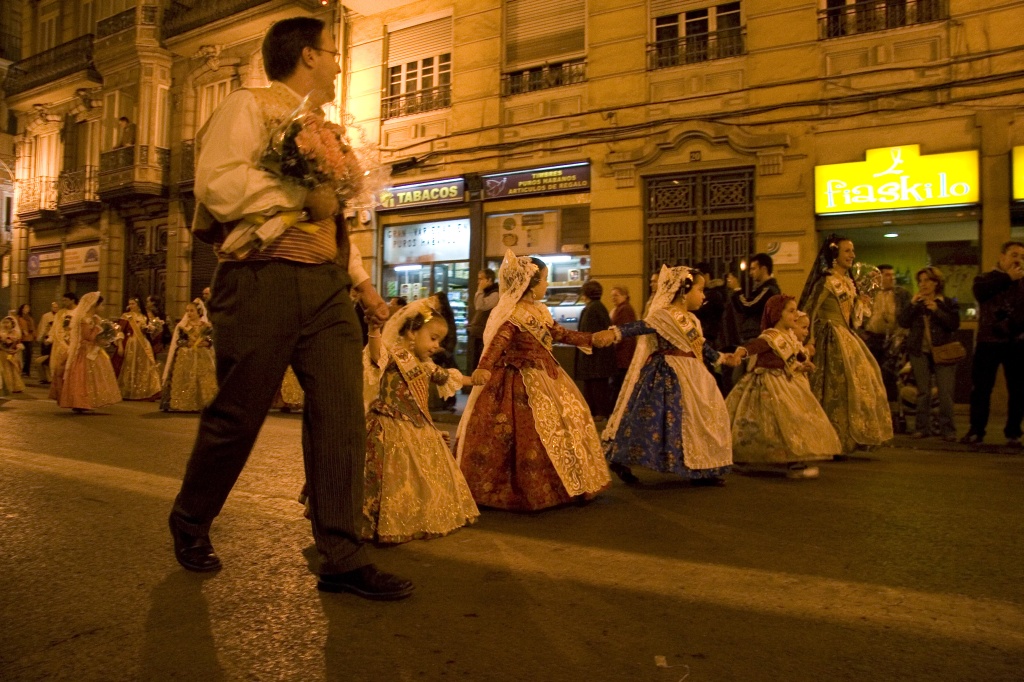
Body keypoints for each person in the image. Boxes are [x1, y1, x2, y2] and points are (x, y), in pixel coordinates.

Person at [168, 17, 412, 601]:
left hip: (325, 286)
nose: (336, 62)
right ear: (307, 55)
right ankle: (191, 518)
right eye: (331, 52)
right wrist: (299, 194)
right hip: (260, 279)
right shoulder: (247, 107)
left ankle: (340, 554)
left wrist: (362, 287)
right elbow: (218, 184)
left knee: (340, 416)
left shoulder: (322, 129)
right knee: (238, 414)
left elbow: (331, 221)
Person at [456, 251, 613, 511]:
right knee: (528, 432)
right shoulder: (514, 314)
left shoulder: (540, 311)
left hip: (547, 374)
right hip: (518, 379)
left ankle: (567, 483)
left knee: (563, 425)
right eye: (544, 280)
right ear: (530, 283)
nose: (547, 285)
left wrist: (591, 339)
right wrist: (483, 367)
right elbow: (498, 343)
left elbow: (559, 333)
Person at [601, 266, 737, 486]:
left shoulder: (693, 320)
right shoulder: (663, 316)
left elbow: (700, 346)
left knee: (701, 419)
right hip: (667, 373)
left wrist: (721, 358)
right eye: (700, 290)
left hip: (695, 374)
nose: (703, 295)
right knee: (650, 421)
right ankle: (621, 459)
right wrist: (615, 333)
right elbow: (640, 327)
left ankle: (702, 468)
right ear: (684, 292)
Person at [361, 297, 480, 543]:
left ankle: (417, 515)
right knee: (390, 476)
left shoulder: (425, 364)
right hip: (389, 424)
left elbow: (446, 376)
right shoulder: (396, 356)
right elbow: (377, 355)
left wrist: (474, 379)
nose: (437, 345)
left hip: (416, 425)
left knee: (419, 476)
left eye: (440, 340)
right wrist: (374, 330)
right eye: (433, 338)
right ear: (413, 333)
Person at [727, 295, 841, 479]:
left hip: (788, 383)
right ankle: (784, 462)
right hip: (769, 384)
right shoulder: (771, 336)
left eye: (796, 310)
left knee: (793, 421)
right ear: (777, 313)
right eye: (791, 310)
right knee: (776, 423)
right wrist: (741, 352)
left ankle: (794, 459)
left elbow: (794, 359)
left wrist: (804, 365)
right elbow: (754, 346)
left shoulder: (789, 337)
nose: (796, 314)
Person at [797, 235, 893, 453]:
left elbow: (854, 320)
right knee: (834, 388)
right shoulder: (826, 281)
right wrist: (809, 340)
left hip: (847, 335)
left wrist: (862, 304)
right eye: (847, 251)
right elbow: (809, 312)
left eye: (853, 251)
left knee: (861, 382)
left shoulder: (849, 282)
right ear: (835, 254)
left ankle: (851, 435)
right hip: (829, 338)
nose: (852, 255)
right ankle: (831, 437)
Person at [961, 241, 1024, 445]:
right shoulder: (986, 278)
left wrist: (1012, 327)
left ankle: (1013, 432)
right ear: (1002, 257)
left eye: (1022, 257)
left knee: (1018, 389)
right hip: (988, 342)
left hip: (1016, 342)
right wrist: (1008, 278)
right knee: (981, 388)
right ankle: (976, 430)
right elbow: (980, 293)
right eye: (1014, 255)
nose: (1018, 260)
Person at [897, 267, 960, 442]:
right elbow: (902, 321)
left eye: (927, 281)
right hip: (919, 350)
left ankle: (948, 430)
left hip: (943, 351)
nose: (923, 285)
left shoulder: (947, 302)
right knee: (923, 391)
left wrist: (936, 310)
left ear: (936, 283)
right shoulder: (916, 304)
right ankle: (921, 428)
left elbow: (954, 324)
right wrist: (912, 304)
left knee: (945, 392)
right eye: (921, 281)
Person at [57, 292, 122, 412]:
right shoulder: (84, 319)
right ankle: (80, 402)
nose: (103, 308)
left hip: (94, 350)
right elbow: (88, 337)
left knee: (94, 378)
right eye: (101, 305)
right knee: (82, 377)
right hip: (85, 352)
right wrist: (97, 327)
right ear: (94, 305)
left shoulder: (94, 318)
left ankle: (89, 401)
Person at [861, 264, 910, 402]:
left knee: (890, 376)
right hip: (872, 338)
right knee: (872, 373)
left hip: (893, 340)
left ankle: (891, 409)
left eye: (892, 275)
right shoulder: (870, 293)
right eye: (887, 275)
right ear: (880, 276)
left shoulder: (901, 294)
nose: (892, 278)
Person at [160, 301, 218, 412]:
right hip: (186, 355)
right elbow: (179, 341)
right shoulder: (183, 327)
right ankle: (184, 402)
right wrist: (187, 344)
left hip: (202, 355)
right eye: (187, 311)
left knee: (204, 379)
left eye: (192, 311)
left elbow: (211, 340)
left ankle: (204, 403)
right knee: (186, 378)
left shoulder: (205, 326)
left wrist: (206, 343)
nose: (189, 313)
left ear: (199, 312)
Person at [575, 280, 616, 418]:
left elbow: (587, 335)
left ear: (586, 294)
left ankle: (598, 413)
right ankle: (598, 412)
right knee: (598, 387)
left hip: (594, 360)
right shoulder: (599, 307)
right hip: (600, 359)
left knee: (595, 389)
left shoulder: (591, 310)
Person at [113, 297, 163, 400]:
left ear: (138, 305)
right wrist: (120, 346)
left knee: (145, 367)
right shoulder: (126, 316)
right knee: (130, 366)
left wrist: (151, 329)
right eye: (129, 304)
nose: (131, 306)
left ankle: (147, 391)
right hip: (131, 344)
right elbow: (119, 331)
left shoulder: (144, 317)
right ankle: (128, 390)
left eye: (133, 304)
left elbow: (150, 333)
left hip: (143, 344)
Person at [608, 285, 637, 403]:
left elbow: (622, 332)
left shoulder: (624, 310)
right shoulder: (621, 308)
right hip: (623, 354)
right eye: (612, 296)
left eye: (616, 295)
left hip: (622, 355)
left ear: (625, 296)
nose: (613, 298)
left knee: (619, 383)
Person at [47, 293, 78, 400]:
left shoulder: (79, 311)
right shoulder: (61, 313)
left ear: (72, 300)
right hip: (61, 345)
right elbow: (55, 327)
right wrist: (50, 338)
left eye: (65, 300)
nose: (63, 303)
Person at [467, 268, 499, 371]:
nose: (478, 282)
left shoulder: (495, 294)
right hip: (478, 333)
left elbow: (480, 306)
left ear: (489, 280)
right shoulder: (487, 292)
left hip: (483, 334)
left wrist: (480, 290)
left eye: (481, 279)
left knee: (479, 362)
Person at [0, 314, 24, 394]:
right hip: (2, 354)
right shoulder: (1, 332)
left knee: (14, 370)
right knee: (4, 370)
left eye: (8, 323)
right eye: (4, 322)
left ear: (12, 324)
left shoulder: (14, 333)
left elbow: (17, 344)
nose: (6, 324)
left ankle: (15, 386)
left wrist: (14, 350)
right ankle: (6, 387)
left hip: (11, 354)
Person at [36, 302, 58, 385]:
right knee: (44, 360)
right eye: (54, 307)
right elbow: (42, 327)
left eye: (56, 307)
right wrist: (40, 338)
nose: (55, 308)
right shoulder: (46, 316)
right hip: (46, 339)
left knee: (49, 360)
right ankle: (45, 377)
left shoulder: (60, 316)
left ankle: (50, 378)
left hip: (54, 341)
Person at [16, 304, 35, 378]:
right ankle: (21, 370)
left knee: (29, 355)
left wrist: (34, 335)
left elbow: (33, 327)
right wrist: (22, 330)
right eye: (25, 307)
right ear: (22, 309)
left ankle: (27, 371)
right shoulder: (18, 318)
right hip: (21, 339)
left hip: (29, 338)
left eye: (28, 307)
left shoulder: (30, 318)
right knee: (22, 355)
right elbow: (17, 326)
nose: (27, 309)